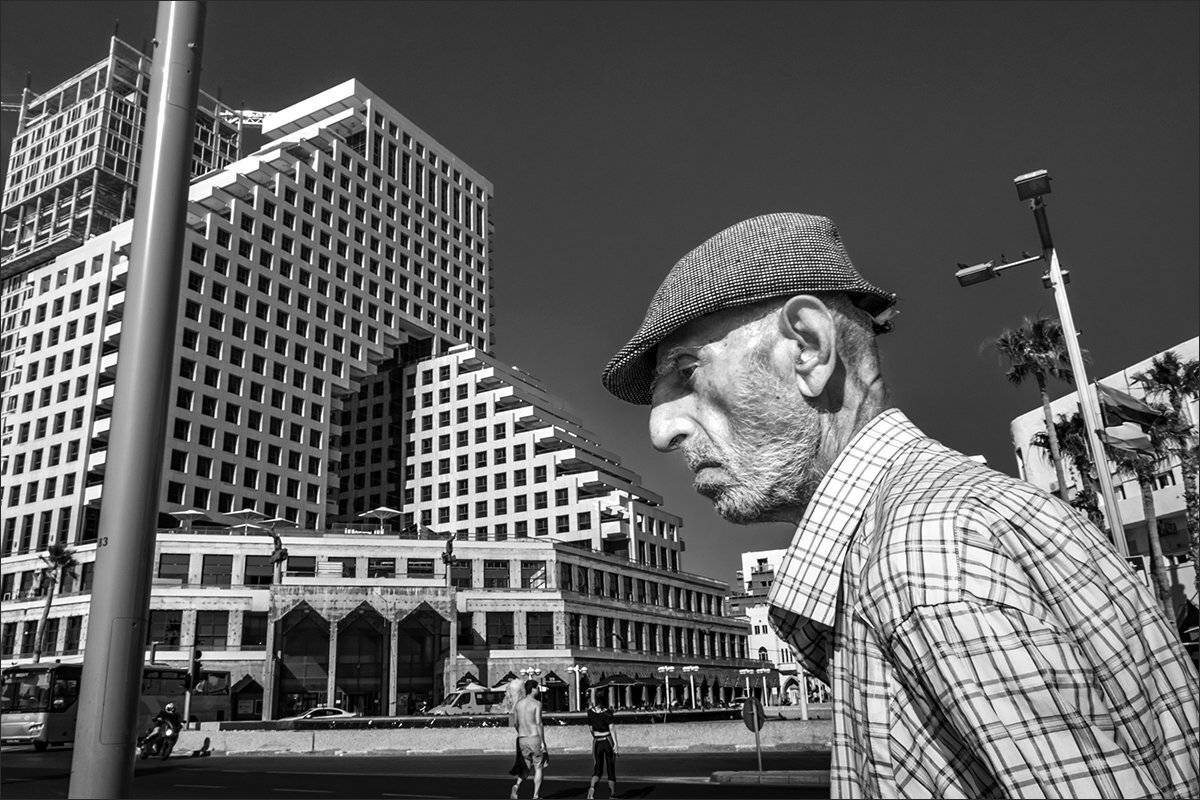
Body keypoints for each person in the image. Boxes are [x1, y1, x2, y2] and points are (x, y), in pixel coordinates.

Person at [601, 212, 1200, 798]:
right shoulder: (936, 527)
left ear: (807, 348)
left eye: (686, 371)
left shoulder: (927, 559)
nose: (661, 430)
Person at [509, 679, 547, 800]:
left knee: (526, 765)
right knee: (538, 766)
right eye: (537, 688)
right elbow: (538, 723)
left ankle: (517, 785)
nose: (538, 690)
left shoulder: (518, 704)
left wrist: (521, 733)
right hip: (534, 737)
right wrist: (543, 741)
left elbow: (515, 723)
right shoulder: (537, 704)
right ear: (533, 689)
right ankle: (535, 796)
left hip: (522, 739)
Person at [586, 699, 617, 799]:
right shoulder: (608, 712)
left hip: (597, 741)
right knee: (610, 768)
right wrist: (616, 744)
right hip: (607, 740)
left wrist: (595, 736)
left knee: (597, 768)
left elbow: (591, 729)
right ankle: (612, 794)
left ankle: (592, 789)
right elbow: (612, 729)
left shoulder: (590, 712)